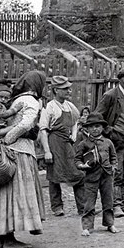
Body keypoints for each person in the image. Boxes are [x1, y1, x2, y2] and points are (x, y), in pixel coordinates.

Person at [0, 70, 47, 248]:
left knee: (4, 194)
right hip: (19, 150)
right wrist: (8, 138)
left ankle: (4, 235)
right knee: (16, 193)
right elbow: (25, 124)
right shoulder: (31, 100)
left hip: (6, 151)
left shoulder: (15, 100)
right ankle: (9, 240)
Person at [94, 68, 124, 218]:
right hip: (116, 140)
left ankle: (122, 203)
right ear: (119, 79)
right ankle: (114, 205)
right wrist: (110, 132)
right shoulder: (110, 95)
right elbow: (97, 116)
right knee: (117, 171)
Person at [38, 75, 84, 217]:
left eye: (69, 88)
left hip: (67, 143)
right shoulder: (50, 107)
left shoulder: (70, 106)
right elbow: (43, 130)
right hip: (54, 143)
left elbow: (76, 120)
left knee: (78, 173)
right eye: (65, 89)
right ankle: (57, 207)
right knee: (54, 175)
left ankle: (82, 207)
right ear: (56, 90)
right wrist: (47, 151)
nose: (69, 91)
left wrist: (74, 134)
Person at [74, 113, 118, 236]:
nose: (95, 129)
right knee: (89, 202)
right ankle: (87, 227)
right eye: (92, 127)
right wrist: (82, 166)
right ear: (87, 129)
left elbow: (114, 157)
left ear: (102, 128)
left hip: (107, 175)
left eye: (98, 126)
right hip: (91, 176)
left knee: (108, 200)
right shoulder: (83, 144)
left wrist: (113, 166)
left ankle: (110, 223)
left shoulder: (108, 142)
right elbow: (77, 160)